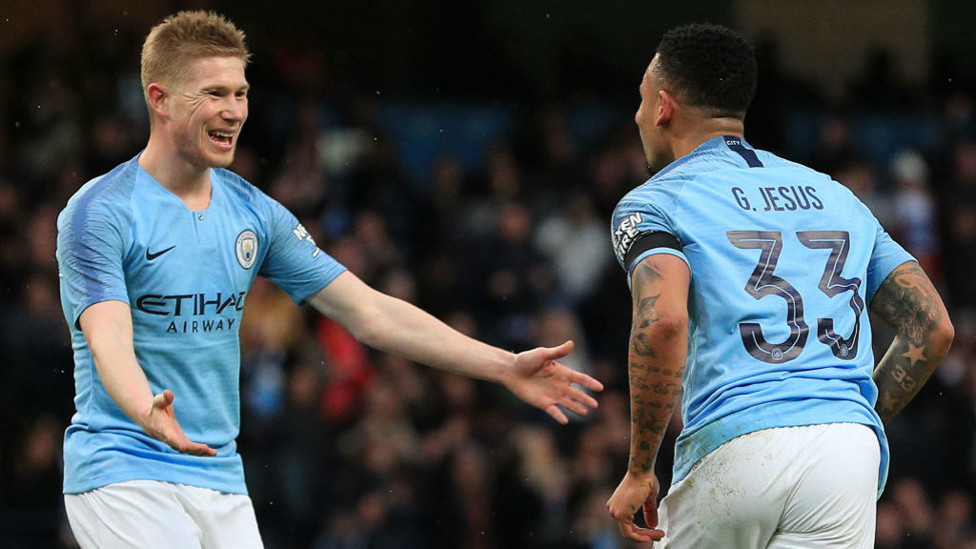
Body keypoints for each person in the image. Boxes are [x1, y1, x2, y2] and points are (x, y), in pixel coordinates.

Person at [55, 11, 603, 548]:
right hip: (123, 467)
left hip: (218, 475)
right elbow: (109, 340)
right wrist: (145, 410)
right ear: (159, 99)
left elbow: (371, 312)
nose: (234, 111)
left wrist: (503, 365)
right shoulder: (100, 212)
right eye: (214, 94)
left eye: (240, 93)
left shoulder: (254, 214)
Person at [605, 23, 953, 548]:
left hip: (737, 442)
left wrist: (639, 468)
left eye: (640, 99)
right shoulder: (836, 196)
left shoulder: (655, 201)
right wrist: (846, 417)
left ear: (662, 107)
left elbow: (663, 321)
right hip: (845, 454)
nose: (637, 115)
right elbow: (933, 327)